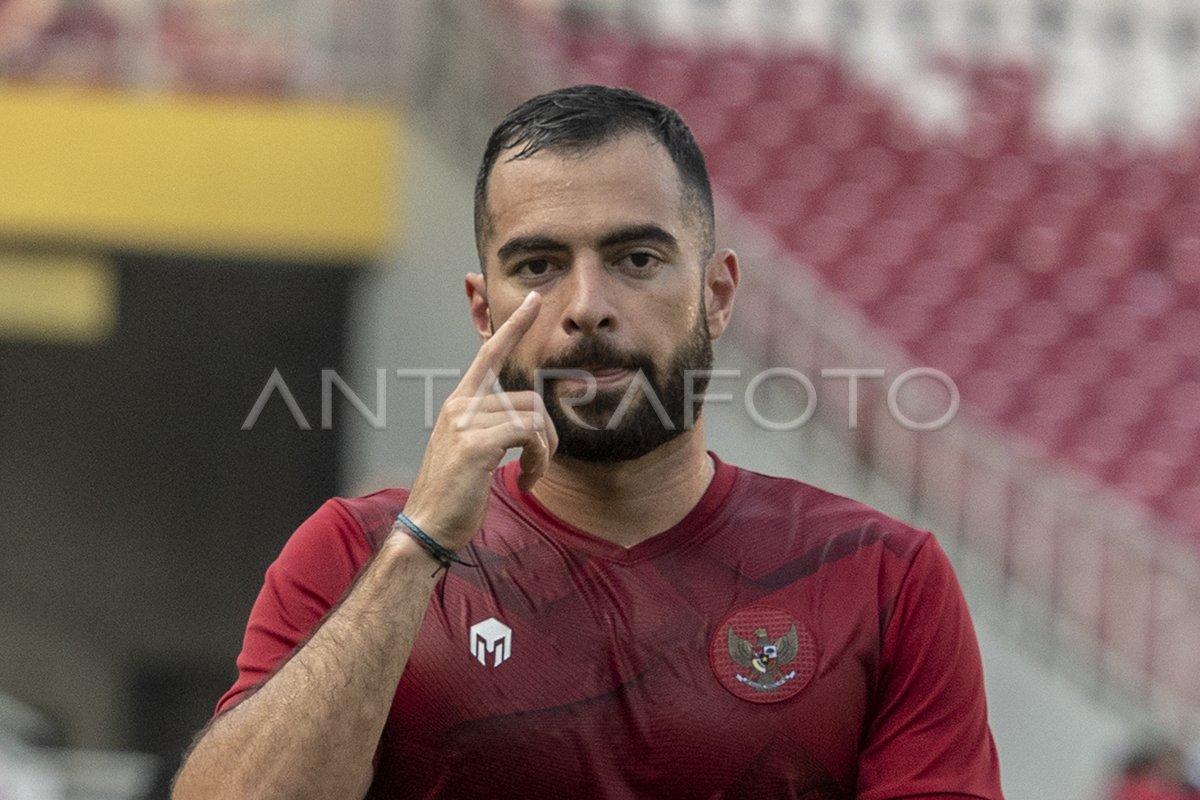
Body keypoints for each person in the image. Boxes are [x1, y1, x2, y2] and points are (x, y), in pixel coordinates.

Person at [171, 84, 1003, 799]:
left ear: (716, 295)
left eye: (636, 259)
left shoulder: (881, 579)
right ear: (482, 309)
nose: (586, 307)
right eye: (537, 266)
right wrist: (415, 550)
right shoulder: (355, 552)